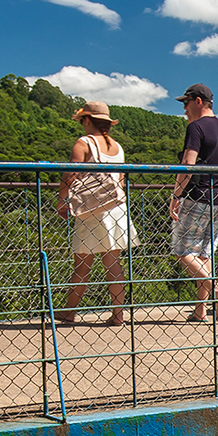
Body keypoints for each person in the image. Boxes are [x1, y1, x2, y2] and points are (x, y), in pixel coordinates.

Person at [54, 100, 137, 325]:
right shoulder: (118, 147)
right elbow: (119, 180)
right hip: (116, 208)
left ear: (88, 120)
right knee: (113, 263)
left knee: (82, 264)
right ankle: (118, 314)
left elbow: (70, 175)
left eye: (82, 120)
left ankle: (69, 311)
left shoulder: (84, 143)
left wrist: (62, 200)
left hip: (92, 209)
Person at [169, 81, 218, 322]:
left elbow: (188, 164)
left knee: (182, 251)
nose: (184, 109)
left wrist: (176, 195)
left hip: (197, 197)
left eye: (186, 103)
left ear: (198, 102)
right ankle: (200, 310)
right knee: (204, 257)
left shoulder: (196, 128)